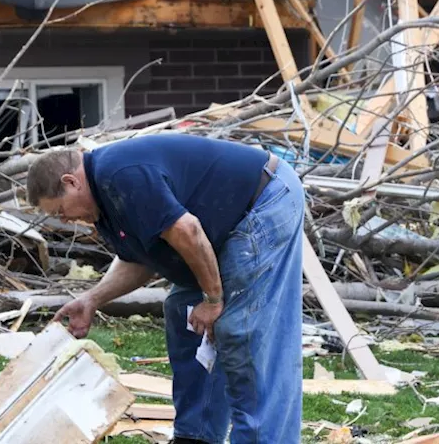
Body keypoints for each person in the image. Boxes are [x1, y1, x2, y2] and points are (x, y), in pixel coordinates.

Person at [25, 133, 304, 444]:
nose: (65, 219)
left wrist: (213, 300)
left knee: (241, 331)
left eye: (59, 210)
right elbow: (139, 259)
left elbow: (187, 230)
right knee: (182, 313)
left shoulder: (121, 175)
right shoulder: (103, 202)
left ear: (71, 182)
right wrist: (92, 299)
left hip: (261, 202)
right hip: (217, 230)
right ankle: (195, 437)